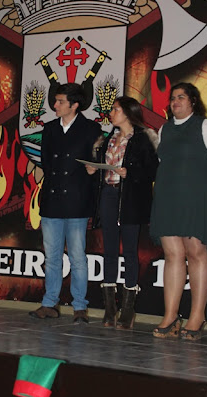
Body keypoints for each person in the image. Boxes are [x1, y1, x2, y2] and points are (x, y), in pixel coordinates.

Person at [150, 83, 207, 340]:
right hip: (167, 198)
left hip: (196, 199)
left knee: (196, 252)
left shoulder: (205, 126)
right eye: (172, 98)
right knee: (172, 253)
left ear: (193, 101)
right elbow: (164, 162)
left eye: (181, 97)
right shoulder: (164, 129)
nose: (175, 101)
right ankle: (171, 316)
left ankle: (197, 316)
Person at [29, 83, 103, 323]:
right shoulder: (49, 128)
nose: (55, 105)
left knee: (77, 257)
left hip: (77, 200)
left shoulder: (91, 129)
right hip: (52, 200)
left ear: (75, 105)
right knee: (51, 256)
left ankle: (80, 306)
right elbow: (46, 162)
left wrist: (93, 171)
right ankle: (49, 303)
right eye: (56, 101)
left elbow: (98, 161)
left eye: (60, 101)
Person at [88, 96, 159, 329]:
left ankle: (128, 309)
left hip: (131, 198)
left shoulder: (143, 138)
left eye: (116, 109)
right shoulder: (108, 138)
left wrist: (131, 173)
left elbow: (153, 170)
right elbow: (102, 167)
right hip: (108, 195)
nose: (111, 113)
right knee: (109, 249)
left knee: (129, 250)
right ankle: (110, 308)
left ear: (128, 113)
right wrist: (94, 169)